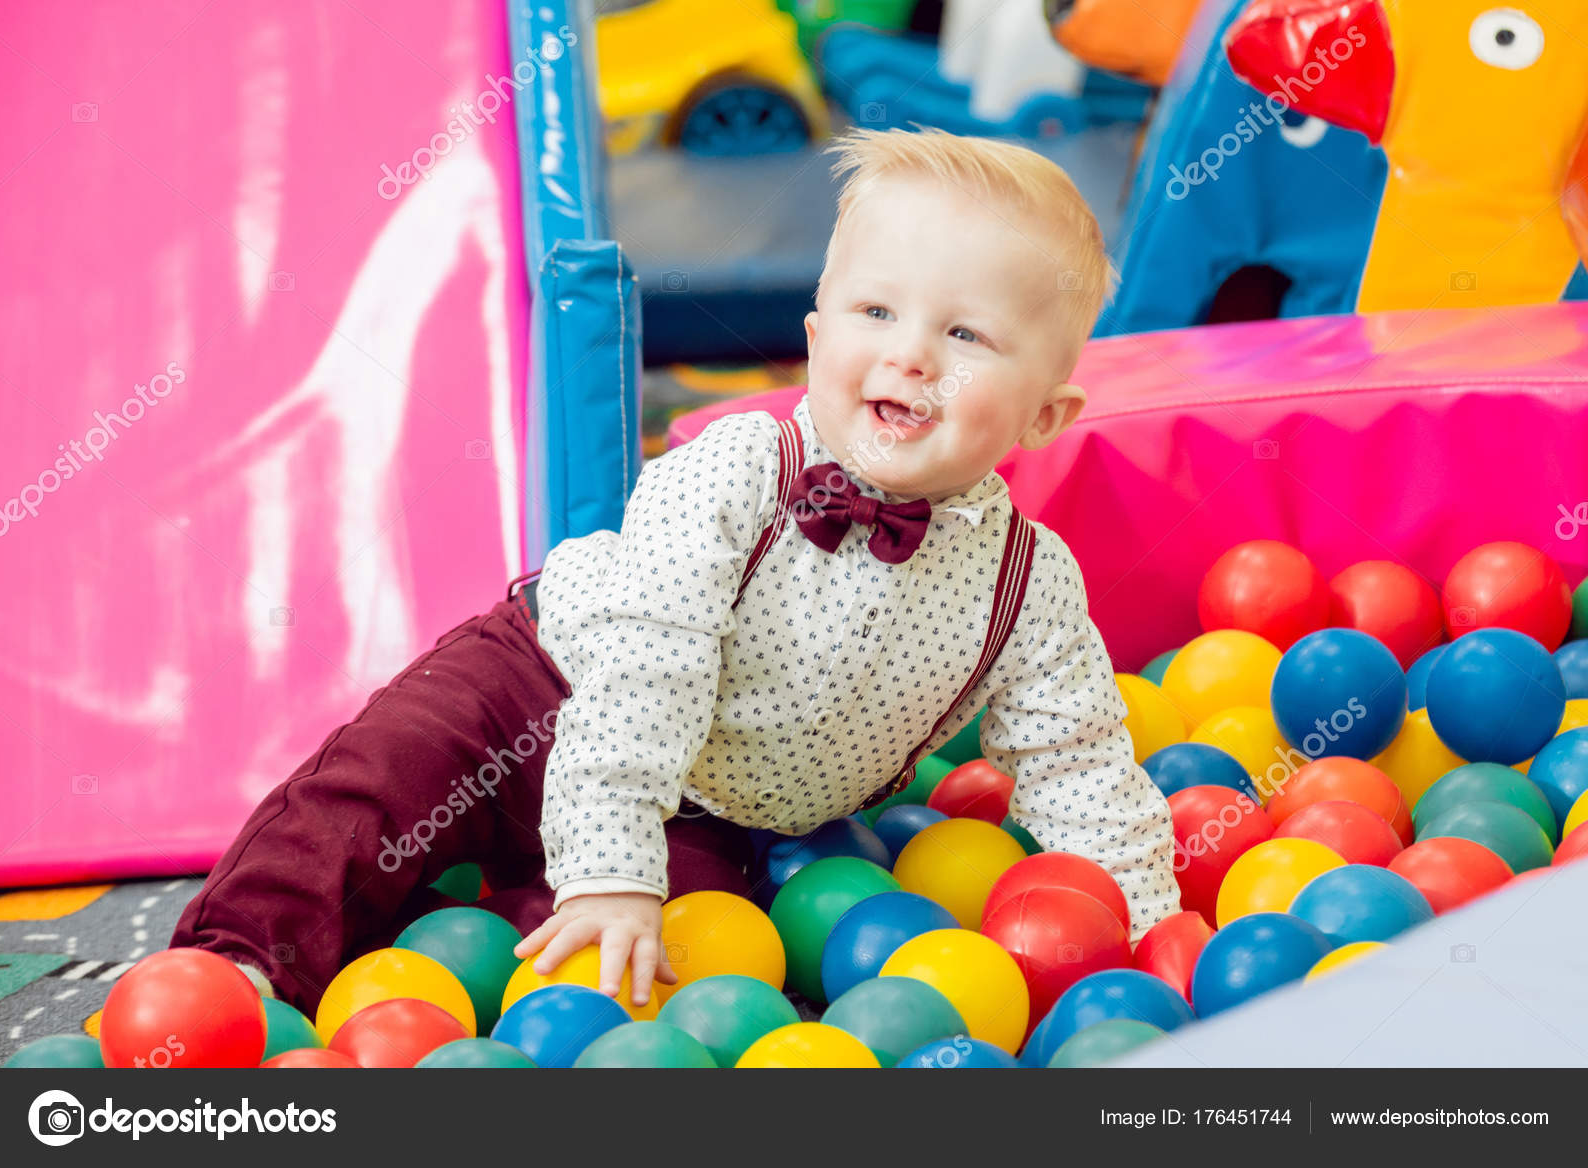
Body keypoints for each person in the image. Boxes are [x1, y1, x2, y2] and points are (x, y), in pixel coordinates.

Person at [171, 127, 1179, 1020]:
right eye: (876, 311)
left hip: (712, 806)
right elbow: (644, 675)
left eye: (963, 335)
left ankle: (446, 953)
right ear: (817, 338)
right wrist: (612, 867)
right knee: (380, 787)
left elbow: (1078, 762)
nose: (910, 354)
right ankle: (242, 964)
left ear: (1044, 416)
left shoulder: (1027, 580)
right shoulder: (734, 471)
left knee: (665, 967)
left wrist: (1148, 933)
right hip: (540, 688)